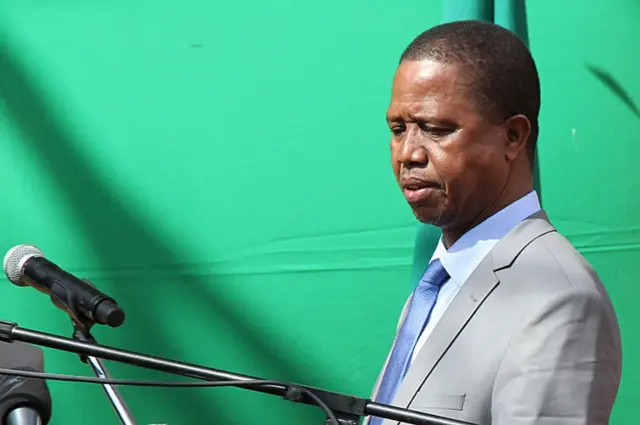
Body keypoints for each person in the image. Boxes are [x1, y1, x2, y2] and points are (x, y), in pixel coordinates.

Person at [368, 20, 622, 425]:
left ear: (513, 137)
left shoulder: (559, 301)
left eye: (435, 129)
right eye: (398, 129)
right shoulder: (441, 281)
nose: (408, 153)